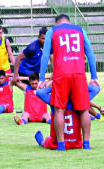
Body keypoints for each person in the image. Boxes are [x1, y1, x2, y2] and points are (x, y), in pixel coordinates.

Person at [38, 14, 100, 150]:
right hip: (79, 73)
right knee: (84, 110)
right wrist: (94, 76)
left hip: (61, 74)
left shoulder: (52, 32)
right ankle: (86, 144)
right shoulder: (80, 30)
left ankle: (61, 145)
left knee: (59, 109)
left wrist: (42, 78)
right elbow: (90, 53)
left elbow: (45, 54)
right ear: (69, 22)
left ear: (57, 23)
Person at [34, 83, 100, 150]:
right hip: (76, 143)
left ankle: (42, 142)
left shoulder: (54, 101)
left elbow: (39, 92)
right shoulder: (78, 101)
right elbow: (96, 89)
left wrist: (56, 87)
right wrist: (76, 86)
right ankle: (86, 143)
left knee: (48, 140)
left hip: (57, 143)